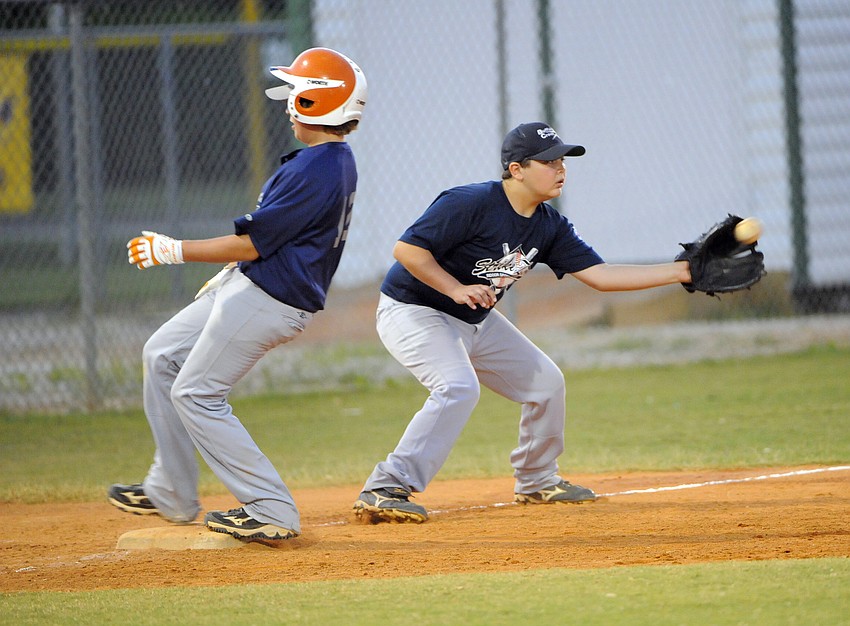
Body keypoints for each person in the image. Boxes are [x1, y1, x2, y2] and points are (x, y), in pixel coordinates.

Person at [353, 122, 691, 524]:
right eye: (548, 161)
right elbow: (406, 250)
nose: (560, 169)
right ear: (516, 169)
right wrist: (455, 288)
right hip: (413, 310)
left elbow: (600, 276)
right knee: (457, 387)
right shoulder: (469, 203)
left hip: (473, 320)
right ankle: (385, 486)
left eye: (562, 160)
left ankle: (536, 480)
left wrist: (682, 272)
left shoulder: (549, 225)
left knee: (546, 383)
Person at [108, 47, 367, 541]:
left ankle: (270, 508)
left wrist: (172, 250)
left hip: (271, 298)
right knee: (162, 354)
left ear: (318, 102)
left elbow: (253, 241)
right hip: (253, 283)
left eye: (297, 91)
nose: (290, 100)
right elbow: (271, 242)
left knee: (197, 392)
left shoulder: (319, 168)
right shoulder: (327, 160)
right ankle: (173, 492)